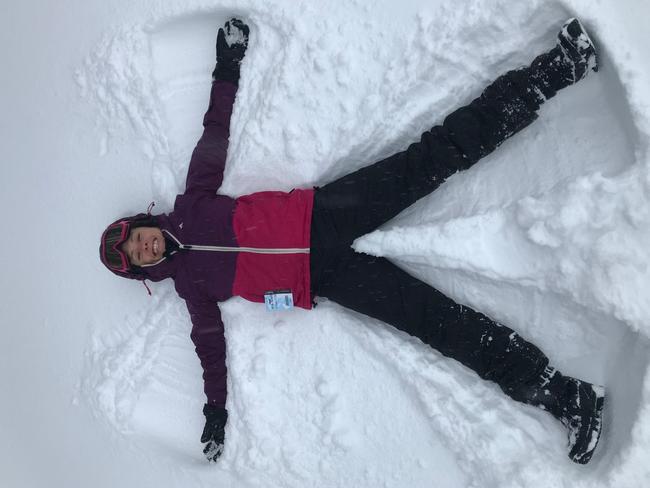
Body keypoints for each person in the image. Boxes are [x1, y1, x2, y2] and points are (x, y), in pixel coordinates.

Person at [100, 17, 604, 465]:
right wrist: (214, 409)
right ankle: (562, 395)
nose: (141, 248)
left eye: (132, 240)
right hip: (325, 278)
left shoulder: (193, 202)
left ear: (138, 224)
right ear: (143, 272)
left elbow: (214, 133)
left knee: (435, 155)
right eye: (133, 259)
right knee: (438, 324)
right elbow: (209, 347)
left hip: (324, 214)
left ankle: (556, 68)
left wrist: (227, 67)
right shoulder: (192, 287)